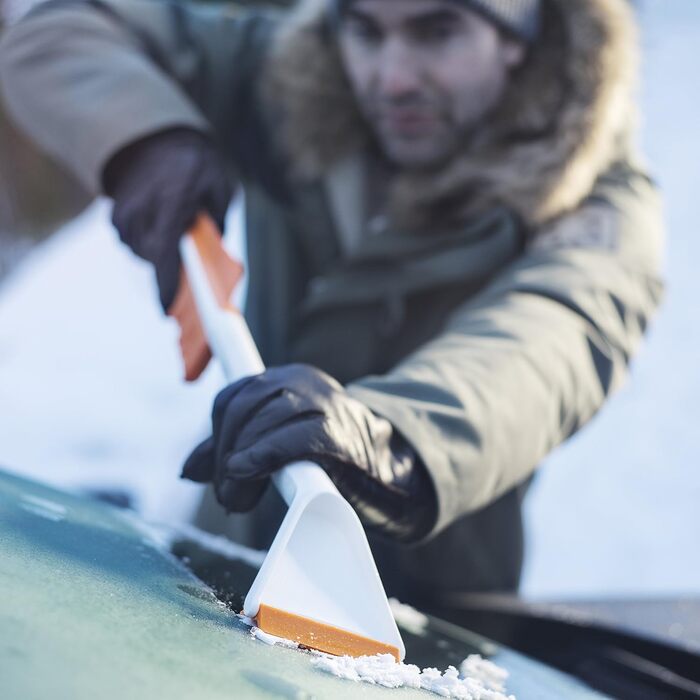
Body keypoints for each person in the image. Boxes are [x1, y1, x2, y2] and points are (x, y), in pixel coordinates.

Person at [0, 0, 664, 606]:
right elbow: (58, 26)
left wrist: (389, 436)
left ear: (524, 34)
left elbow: (551, 342)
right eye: (366, 30)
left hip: (422, 618)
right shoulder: (288, 82)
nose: (393, 78)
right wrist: (146, 137)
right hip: (219, 557)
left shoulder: (595, 208)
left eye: (438, 31)